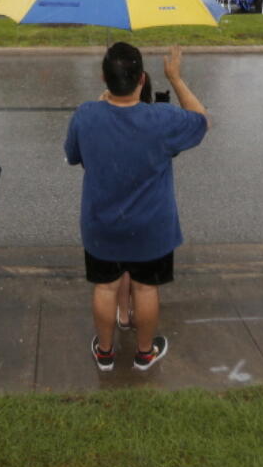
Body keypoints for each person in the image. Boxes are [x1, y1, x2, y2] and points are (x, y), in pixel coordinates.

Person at [64, 43, 209, 372]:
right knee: (146, 288)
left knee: (105, 287)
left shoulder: (86, 114)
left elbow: (74, 156)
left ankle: (105, 353)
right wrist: (175, 78)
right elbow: (201, 121)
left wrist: (100, 109)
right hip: (151, 227)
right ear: (142, 79)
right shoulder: (163, 119)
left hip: (102, 225)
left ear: (104, 77)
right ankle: (145, 353)